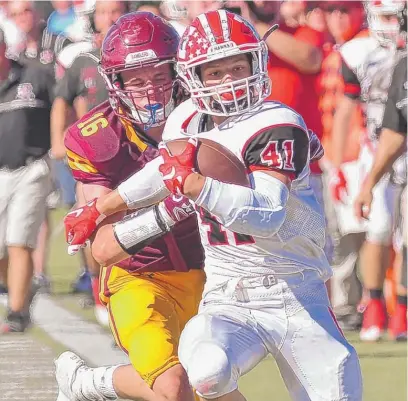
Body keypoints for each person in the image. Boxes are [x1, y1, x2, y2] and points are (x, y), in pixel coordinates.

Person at [59, 10, 363, 401]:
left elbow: (266, 214)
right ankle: (91, 384)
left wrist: (195, 189)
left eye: (237, 68)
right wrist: (103, 208)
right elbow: (159, 178)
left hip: (291, 287)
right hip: (214, 289)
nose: (229, 82)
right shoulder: (184, 120)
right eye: (214, 73)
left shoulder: (277, 122)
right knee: (200, 377)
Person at [54, 11, 205, 401]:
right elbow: (103, 248)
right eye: (136, 81)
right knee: (174, 388)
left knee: (211, 387)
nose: (150, 91)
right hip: (139, 275)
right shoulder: (96, 137)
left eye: (159, 76)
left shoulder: (207, 117)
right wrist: (169, 210)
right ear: (115, 82)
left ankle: (91, 384)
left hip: (213, 272)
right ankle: (93, 384)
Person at [330, 0, 407, 341]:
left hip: (400, 142)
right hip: (374, 147)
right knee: (377, 228)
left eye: (397, 17)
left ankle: (401, 310)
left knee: (404, 236)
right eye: (386, 17)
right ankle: (374, 304)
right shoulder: (357, 52)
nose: (391, 25)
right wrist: (336, 166)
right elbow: (345, 110)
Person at [51, 0, 128, 318]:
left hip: (135, 153)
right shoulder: (82, 59)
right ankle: (99, 290)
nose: (108, 18)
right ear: (92, 19)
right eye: (102, 13)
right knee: (93, 223)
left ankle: (126, 289)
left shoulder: (138, 55)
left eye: (115, 11)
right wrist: (58, 141)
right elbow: (61, 99)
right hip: (93, 159)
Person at [0, 27, 54, 333]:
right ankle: (21, 292)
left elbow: (61, 107)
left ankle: (17, 313)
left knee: (19, 240)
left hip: (32, 168)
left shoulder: (35, 76)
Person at [355, 55, 407, 340]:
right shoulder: (404, 67)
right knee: (387, 233)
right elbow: (395, 134)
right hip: (397, 169)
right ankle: (387, 309)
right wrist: (369, 184)